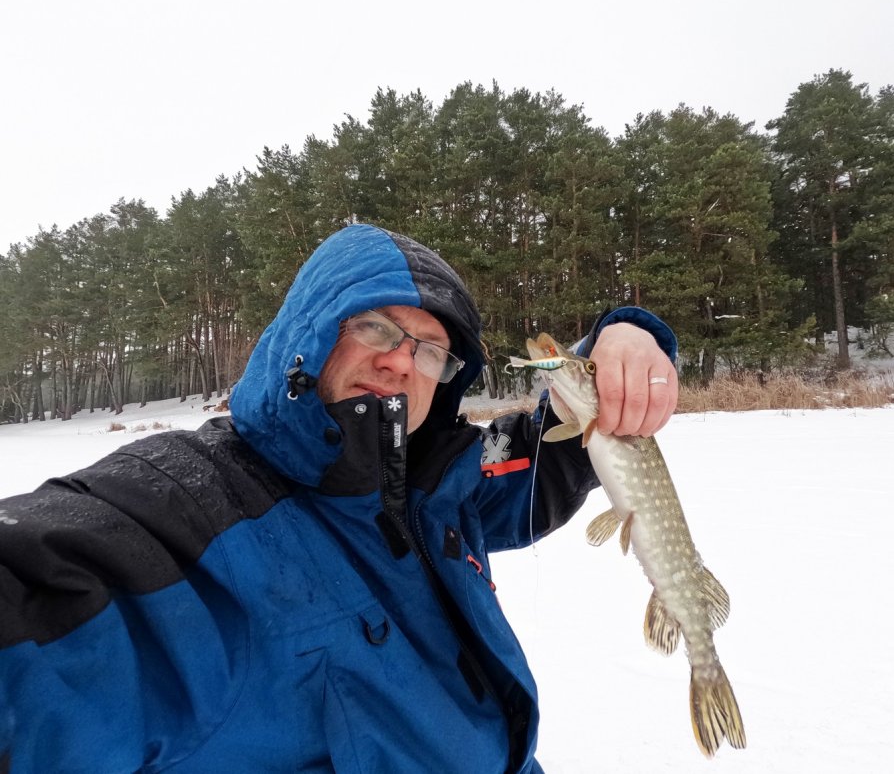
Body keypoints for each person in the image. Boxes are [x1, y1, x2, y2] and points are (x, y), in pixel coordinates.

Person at [0, 223, 678, 772]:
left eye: (431, 351)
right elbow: (45, 585)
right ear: (308, 334)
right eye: (377, 328)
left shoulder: (441, 483)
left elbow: (552, 452)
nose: (400, 361)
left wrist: (620, 341)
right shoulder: (190, 499)